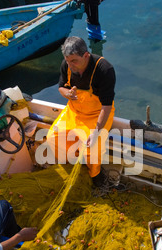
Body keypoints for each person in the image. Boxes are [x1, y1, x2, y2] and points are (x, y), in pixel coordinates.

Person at [46, 36, 115, 187]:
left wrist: (96, 130)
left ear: (86, 55)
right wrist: (67, 94)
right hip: (74, 111)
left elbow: (107, 106)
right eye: (67, 60)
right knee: (52, 137)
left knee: (93, 147)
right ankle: (71, 164)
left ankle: (95, 175)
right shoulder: (67, 64)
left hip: (97, 114)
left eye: (74, 61)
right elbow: (61, 87)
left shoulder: (104, 69)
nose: (70, 65)